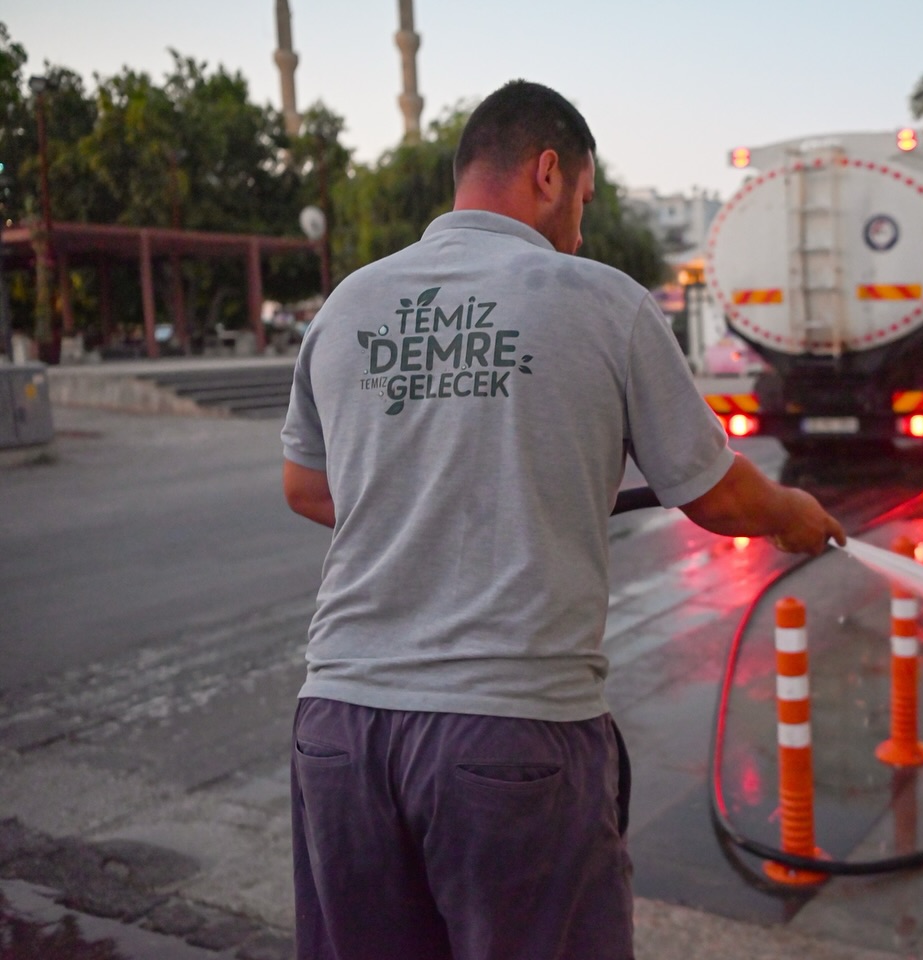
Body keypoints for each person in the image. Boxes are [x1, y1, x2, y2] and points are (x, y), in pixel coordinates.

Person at [279, 79, 845, 960]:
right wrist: (793, 514)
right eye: (582, 199)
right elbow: (716, 492)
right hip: (506, 736)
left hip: (336, 731)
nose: (579, 229)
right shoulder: (601, 300)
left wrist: (441, 498)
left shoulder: (349, 303)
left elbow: (306, 486)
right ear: (549, 172)